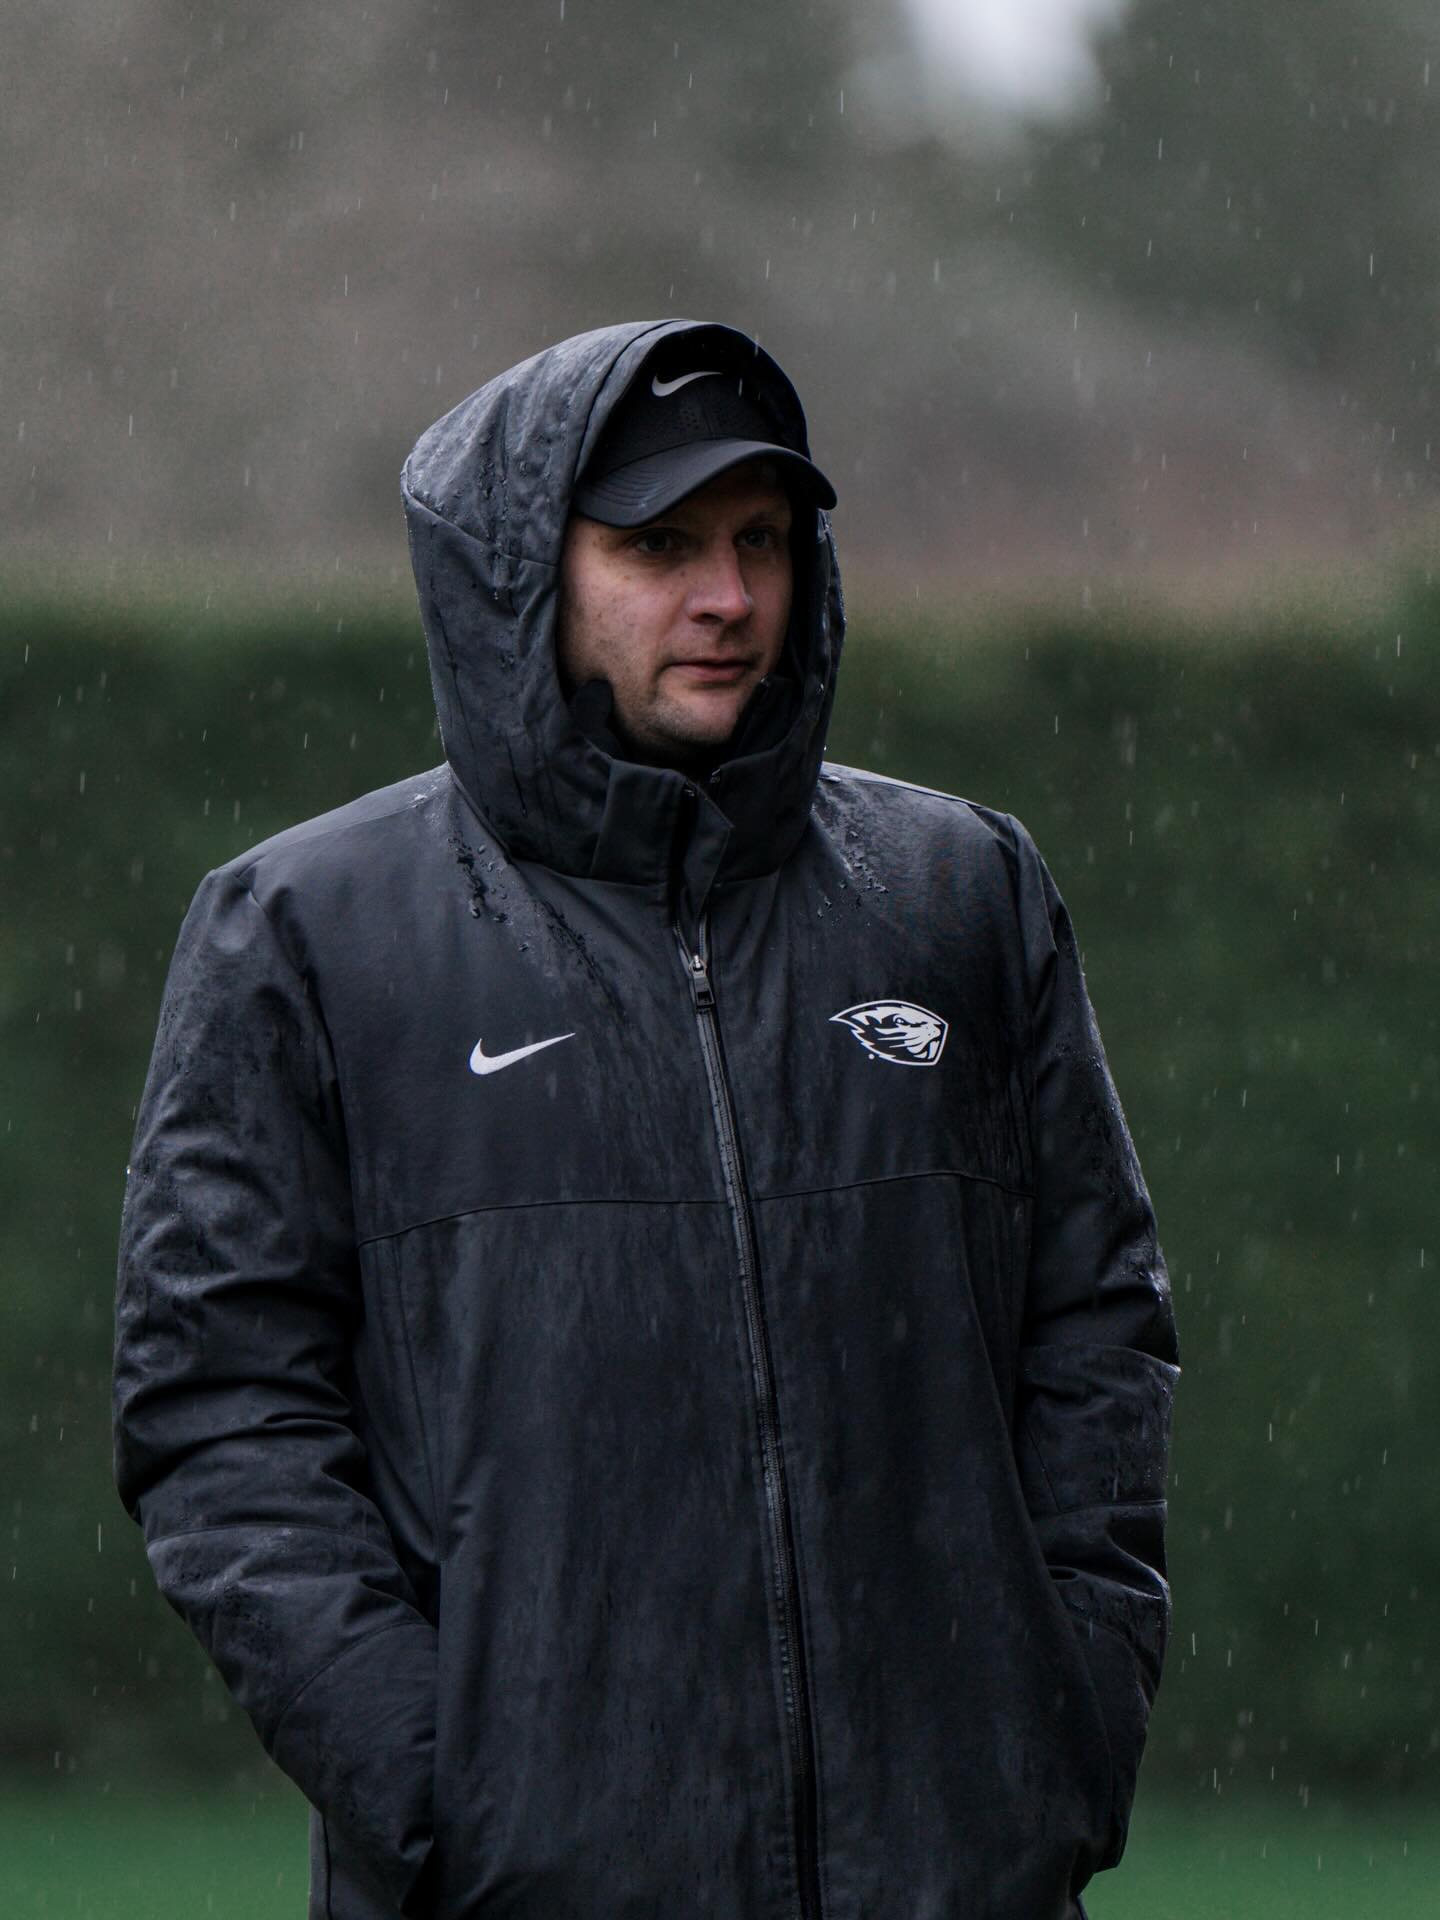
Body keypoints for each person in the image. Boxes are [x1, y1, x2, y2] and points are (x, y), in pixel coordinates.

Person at [113, 319, 1179, 1920]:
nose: (730, 598)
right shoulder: (307, 931)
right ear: (519, 572)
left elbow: (1097, 1335)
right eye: (660, 545)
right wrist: (442, 1791)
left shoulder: (962, 891)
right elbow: (219, 1413)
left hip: (952, 1880)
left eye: (762, 542)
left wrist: (1058, 1734)